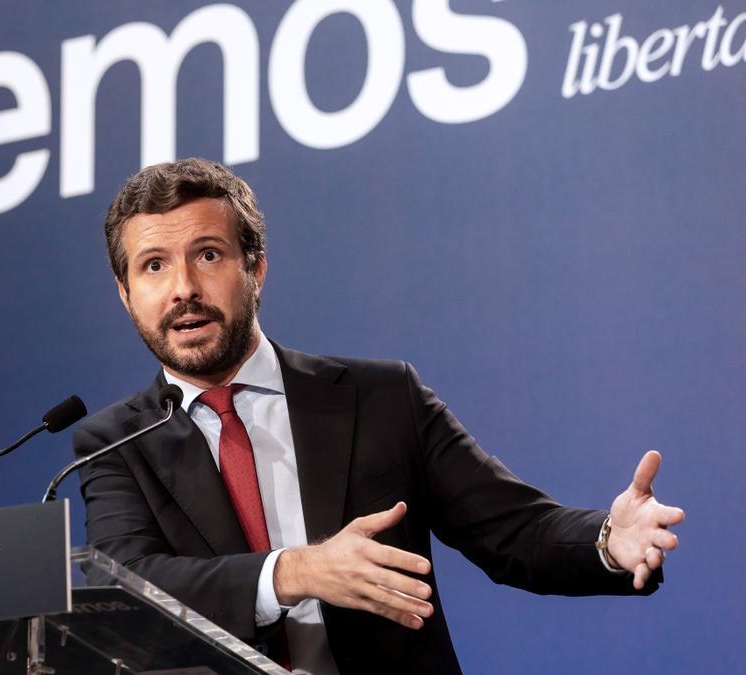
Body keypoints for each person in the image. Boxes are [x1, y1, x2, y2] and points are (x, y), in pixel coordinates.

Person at [72, 158, 685, 674]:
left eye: (208, 255)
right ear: (125, 293)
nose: (182, 288)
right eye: (153, 265)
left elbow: (514, 532)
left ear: (255, 267)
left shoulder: (381, 397)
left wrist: (609, 539)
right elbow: (131, 589)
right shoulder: (115, 444)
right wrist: (296, 571)